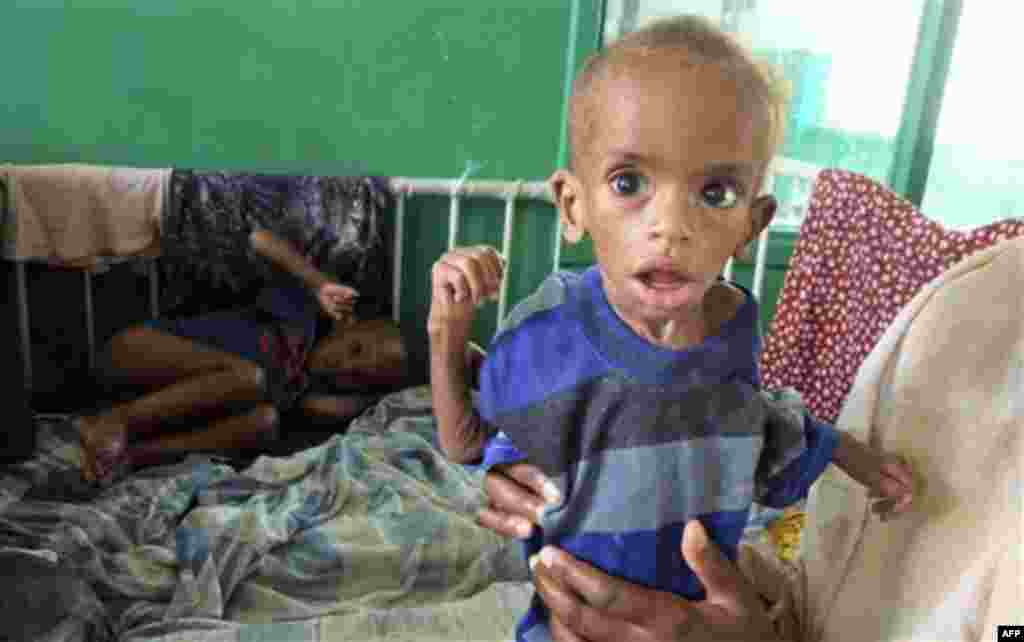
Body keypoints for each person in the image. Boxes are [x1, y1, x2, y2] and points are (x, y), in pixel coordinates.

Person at [428, 15, 915, 642]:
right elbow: (468, 441)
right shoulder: (551, 334)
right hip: (574, 618)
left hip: (706, 614)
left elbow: (746, 419)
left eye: (714, 192)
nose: (670, 225)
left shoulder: (734, 327)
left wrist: (851, 455)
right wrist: (452, 336)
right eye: (630, 183)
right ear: (574, 207)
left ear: (751, 224)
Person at [74, 228, 403, 483]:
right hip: (134, 354)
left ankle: (133, 456)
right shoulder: (298, 316)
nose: (344, 365)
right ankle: (116, 422)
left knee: (265, 422)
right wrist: (318, 283)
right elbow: (258, 239)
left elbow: (345, 409)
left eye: (356, 375)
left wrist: (366, 393)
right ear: (347, 326)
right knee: (249, 378)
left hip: (160, 408)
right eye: (355, 349)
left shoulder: (301, 390)